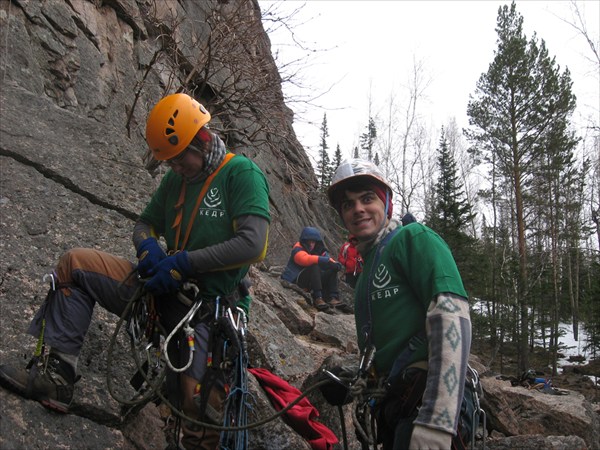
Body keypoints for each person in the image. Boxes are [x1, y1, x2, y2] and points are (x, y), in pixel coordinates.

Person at [0, 93, 271, 450]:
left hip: (207, 310)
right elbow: (145, 223)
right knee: (75, 265)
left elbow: (253, 245)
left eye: (178, 159)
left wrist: (183, 262)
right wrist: (148, 247)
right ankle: (56, 376)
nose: (174, 168)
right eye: (169, 162)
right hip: (160, 293)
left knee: (199, 410)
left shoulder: (241, 174)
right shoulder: (176, 181)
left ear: (201, 141)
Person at [326, 159, 472, 450]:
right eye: (348, 204)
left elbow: (452, 317)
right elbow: (391, 345)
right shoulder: (366, 269)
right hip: (396, 406)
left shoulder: (412, 238)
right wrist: (357, 378)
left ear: (386, 202)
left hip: (423, 402)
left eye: (367, 198)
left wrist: (438, 420)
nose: (358, 209)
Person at [281, 226, 344, 313]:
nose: (311, 244)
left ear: (316, 242)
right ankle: (318, 298)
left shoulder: (319, 250)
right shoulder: (297, 248)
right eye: (309, 241)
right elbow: (305, 259)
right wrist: (326, 261)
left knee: (332, 270)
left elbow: (328, 260)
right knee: (314, 265)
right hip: (297, 280)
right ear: (304, 241)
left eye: (313, 242)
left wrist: (335, 264)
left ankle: (333, 298)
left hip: (311, 280)